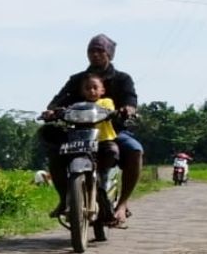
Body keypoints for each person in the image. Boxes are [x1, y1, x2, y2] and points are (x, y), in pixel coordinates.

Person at [41, 33, 143, 225]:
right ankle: (64, 199)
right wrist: (51, 111)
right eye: (91, 51)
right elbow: (59, 99)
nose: (95, 54)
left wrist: (128, 109)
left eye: (100, 50)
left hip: (112, 132)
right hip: (78, 133)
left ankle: (122, 205)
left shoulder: (122, 79)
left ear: (109, 54)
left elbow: (131, 99)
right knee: (55, 151)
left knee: (135, 150)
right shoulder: (77, 79)